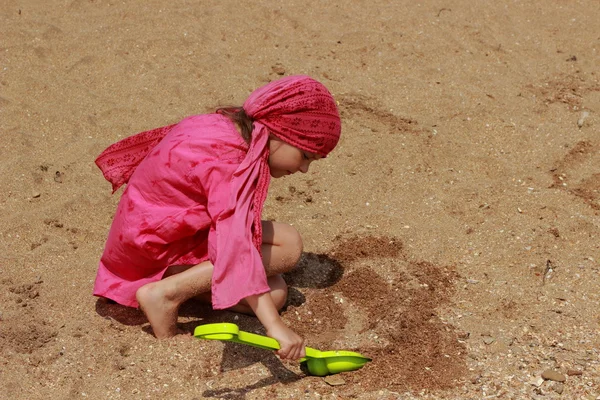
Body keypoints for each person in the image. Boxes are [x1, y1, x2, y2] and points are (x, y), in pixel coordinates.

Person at [93, 75, 341, 361]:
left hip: (140, 241)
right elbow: (235, 243)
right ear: (280, 133)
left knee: (275, 294)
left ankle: (178, 286)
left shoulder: (223, 125)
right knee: (288, 245)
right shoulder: (231, 163)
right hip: (154, 252)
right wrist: (276, 327)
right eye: (306, 156)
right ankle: (165, 293)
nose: (305, 169)